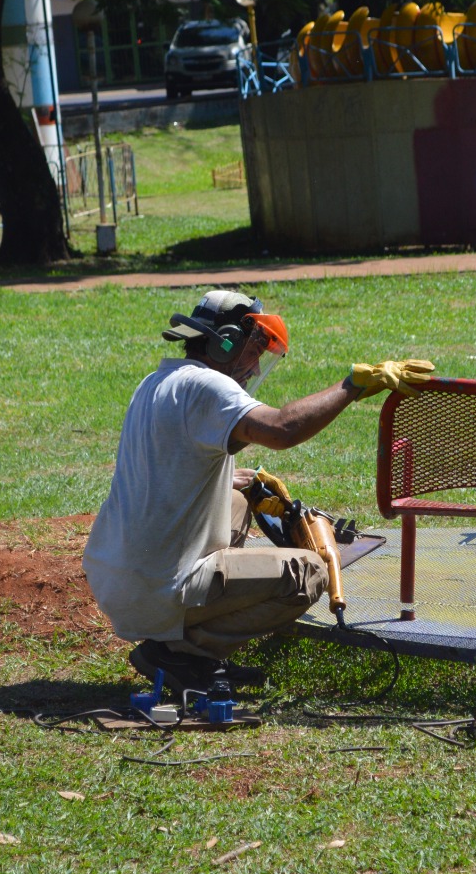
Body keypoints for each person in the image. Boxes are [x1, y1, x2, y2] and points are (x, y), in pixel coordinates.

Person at [82, 290, 434, 693]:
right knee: (308, 574)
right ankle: (185, 652)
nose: (254, 367)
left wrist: (228, 481)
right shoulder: (208, 385)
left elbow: (168, 460)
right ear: (226, 340)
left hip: (114, 575)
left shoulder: (158, 381)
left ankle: (177, 635)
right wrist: (352, 385)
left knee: (234, 500)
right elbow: (282, 429)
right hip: (157, 587)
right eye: (255, 349)